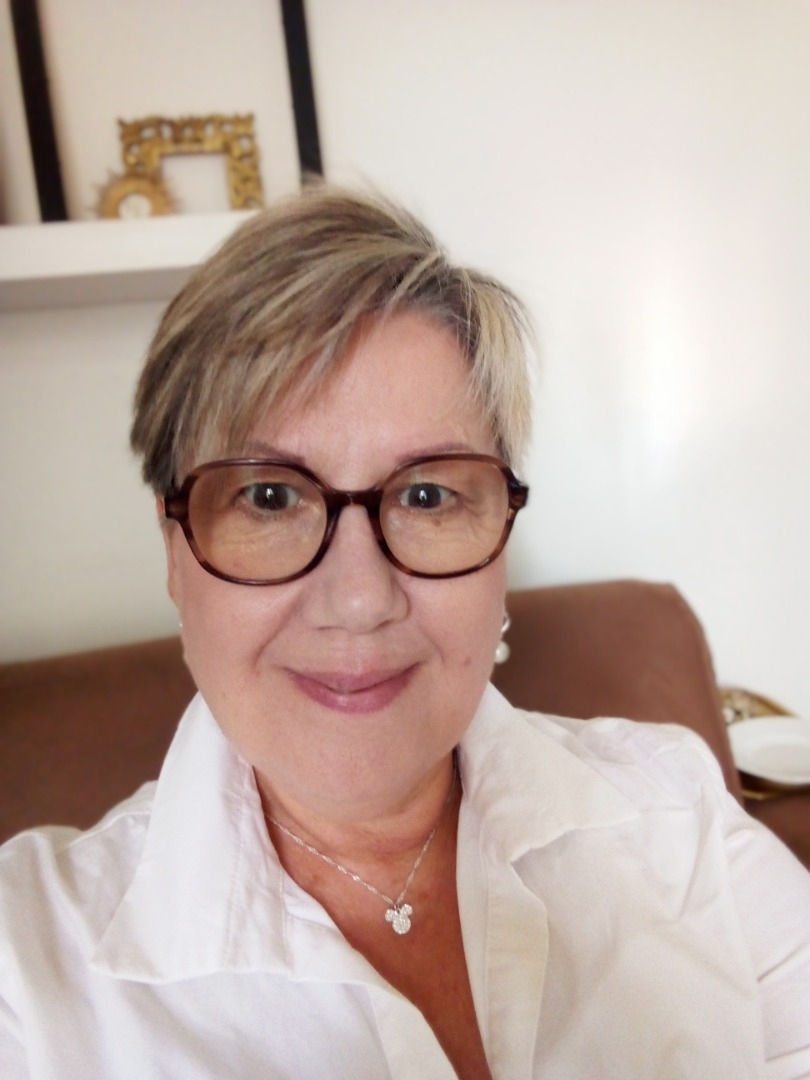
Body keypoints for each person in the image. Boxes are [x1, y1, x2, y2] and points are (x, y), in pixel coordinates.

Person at [1, 186, 809, 1080]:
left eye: (427, 495)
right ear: (174, 552)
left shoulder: (680, 817)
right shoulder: (28, 969)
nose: (359, 600)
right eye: (268, 496)